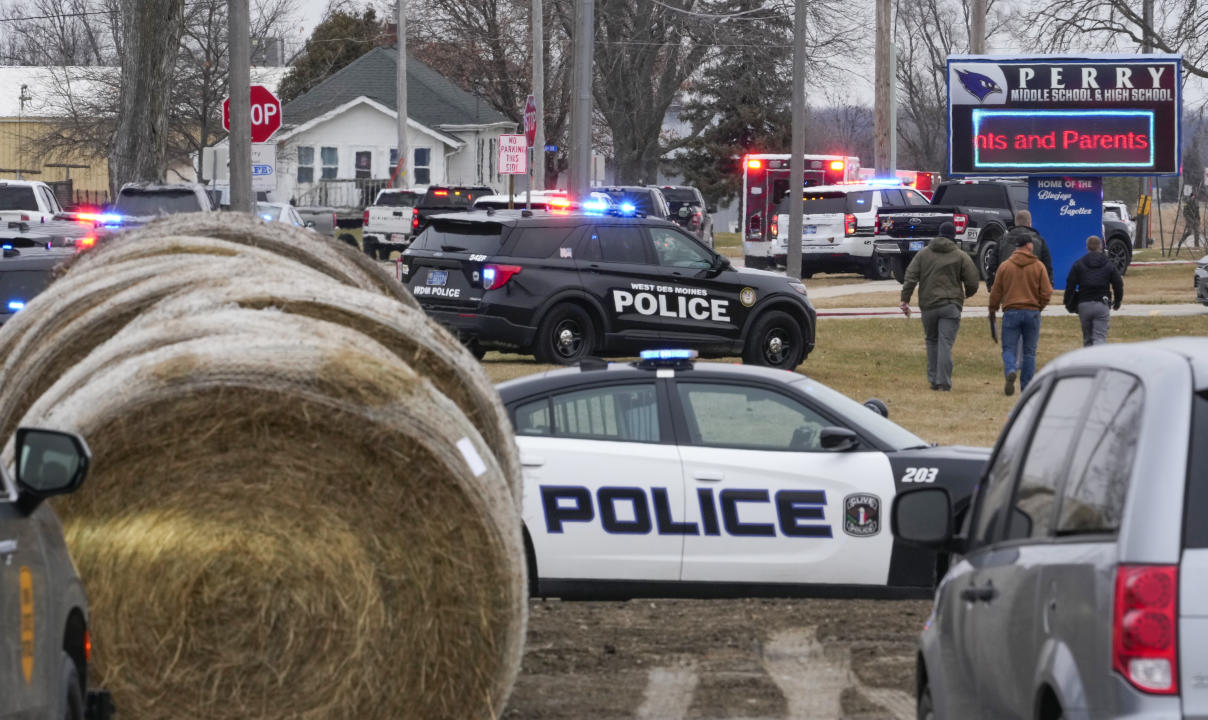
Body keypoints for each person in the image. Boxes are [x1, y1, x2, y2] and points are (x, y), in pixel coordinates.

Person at [899, 221, 980, 391]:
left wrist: (905, 299)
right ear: (953, 237)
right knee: (945, 343)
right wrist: (967, 294)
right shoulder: (960, 255)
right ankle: (943, 381)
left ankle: (933, 379)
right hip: (951, 304)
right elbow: (973, 279)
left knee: (931, 341)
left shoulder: (923, 254)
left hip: (928, 305)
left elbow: (910, 277)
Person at [988, 233, 1052, 396]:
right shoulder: (1038, 266)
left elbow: (996, 292)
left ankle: (1010, 369)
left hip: (1011, 312)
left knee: (1008, 349)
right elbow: (1046, 292)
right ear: (1028, 246)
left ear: (1017, 247)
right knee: (1029, 352)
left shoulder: (1005, 266)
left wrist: (993, 309)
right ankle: (1027, 388)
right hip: (1032, 313)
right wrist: (1039, 307)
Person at [1064, 235, 1124, 346]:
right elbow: (1118, 283)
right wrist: (1117, 302)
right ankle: (1098, 361)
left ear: (1087, 247)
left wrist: (1068, 303)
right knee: (1099, 338)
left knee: (1087, 339)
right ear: (1100, 247)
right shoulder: (1108, 264)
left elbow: (1070, 284)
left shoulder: (1079, 264)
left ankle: (1088, 361)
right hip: (1102, 303)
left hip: (1084, 304)